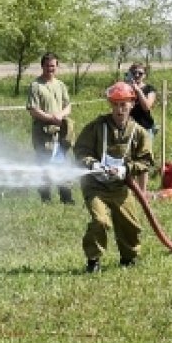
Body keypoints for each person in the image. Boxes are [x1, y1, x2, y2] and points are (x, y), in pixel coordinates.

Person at [73, 81, 155, 273]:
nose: (119, 110)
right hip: (95, 186)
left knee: (131, 225)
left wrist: (126, 170)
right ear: (111, 105)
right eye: (116, 104)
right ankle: (93, 261)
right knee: (100, 221)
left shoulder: (139, 132)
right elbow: (81, 150)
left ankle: (129, 258)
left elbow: (146, 161)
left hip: (120, 187)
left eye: (123, 104)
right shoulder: (97, 127)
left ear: (132, 104)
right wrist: (93, 164)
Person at [26, 52, 75, 204]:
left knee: (62, 162)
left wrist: (61, 115)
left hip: (60, 134)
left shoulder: (60, 85)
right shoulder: (36, 86)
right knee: (45, 164)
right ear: (42, 66)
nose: (50, 69)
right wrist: (51, 118)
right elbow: (33, 109)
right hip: (43, 134)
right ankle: (45, 198)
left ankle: (66, 198)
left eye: (53, 66)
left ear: (57, 67)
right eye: (47, 66)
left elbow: (68, 106)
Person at [125, 62, 157, 191]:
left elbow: (147, 106)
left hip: (145, 127)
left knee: (143, 159)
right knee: (128, 158)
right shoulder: (126, 88)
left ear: (145, 75)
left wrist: (138, 91)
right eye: (134, 73)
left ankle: (142, 191)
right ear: (130, 74)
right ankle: (130, 188)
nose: (137, 75)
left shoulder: (149, 89)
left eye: (140, 73)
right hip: (128, 127)